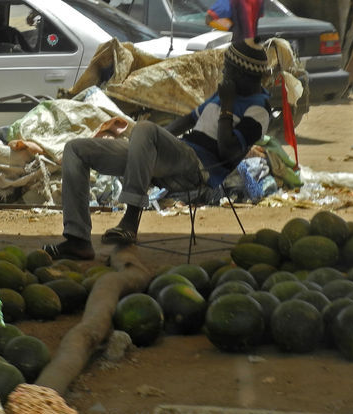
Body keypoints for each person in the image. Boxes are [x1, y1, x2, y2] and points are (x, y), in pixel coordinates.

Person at [44, 41, 270, 260]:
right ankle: (78, 240)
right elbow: (186, 121)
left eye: (229, 70)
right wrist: (146, 148)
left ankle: (130, 221)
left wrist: (227, 108)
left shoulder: (259, 108)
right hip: (177, 155)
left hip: (201, 167)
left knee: (145, 128)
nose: (225, 75)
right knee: (76, 150)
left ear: (244, 75)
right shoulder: (224, 94)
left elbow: (227, 150)